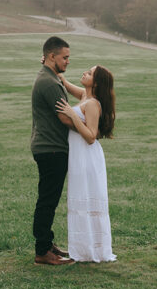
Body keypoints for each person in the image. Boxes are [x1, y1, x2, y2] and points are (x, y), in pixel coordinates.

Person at [56, 65, 117, 263]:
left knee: (86, 199)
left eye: (89, 73)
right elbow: (65, 83)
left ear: (96, 83)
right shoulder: (84, 95)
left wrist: (72, 115)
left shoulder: (92, 104)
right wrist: (53, 68)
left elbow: (91, 136)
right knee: (80, 198)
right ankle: (83, 248)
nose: (84, 73)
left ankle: (91, 250)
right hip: (79, 155)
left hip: (87, 156)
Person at [30, 37, 75, 266]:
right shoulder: (48, 83)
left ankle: (47, 244)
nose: (68, 61)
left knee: (49, 199)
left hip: (50, 147)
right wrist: (91, 131)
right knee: (47, 200)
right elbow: (65, 117)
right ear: (51, 56)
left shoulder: (50, 77)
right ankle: (42, 251)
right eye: (64, 57)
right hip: (51, 149)